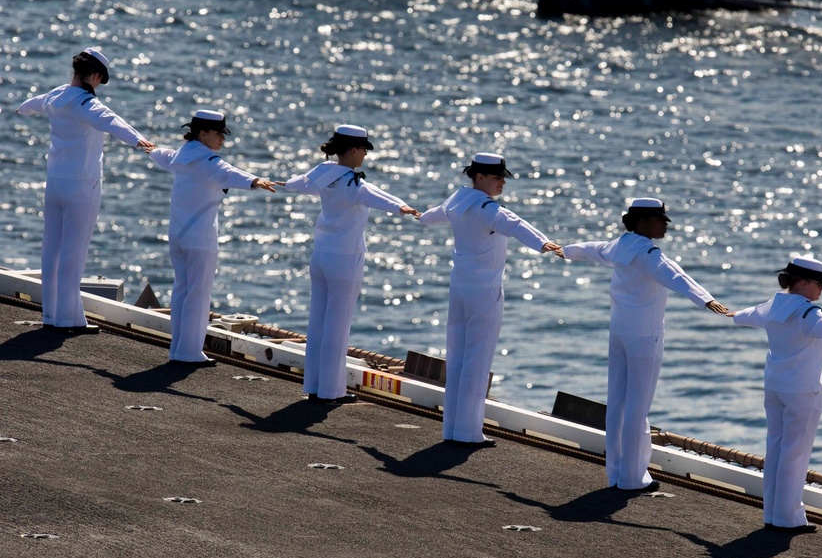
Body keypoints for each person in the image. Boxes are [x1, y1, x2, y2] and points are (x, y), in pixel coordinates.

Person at [562, 198, 728, 491]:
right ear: (641, 223)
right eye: (659, 220)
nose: (665, 224)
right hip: (645, 338)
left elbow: (590, 249)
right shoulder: (650, 254)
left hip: (619, 333)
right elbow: (679, 277)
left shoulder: (619, 246)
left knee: (617, 404)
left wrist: (564, 250)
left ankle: (615, 473)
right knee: (638, 408)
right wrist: (707, 300)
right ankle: (633, 477)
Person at [419, 153, 562, 447]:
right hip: (484, 291)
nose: (502, 182)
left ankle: (452, 429)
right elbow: (517, 224)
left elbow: (432, 216)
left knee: (457, 358)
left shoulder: (457, 200)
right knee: (477, 361)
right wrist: (543, 243)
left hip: (459, 288)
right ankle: (469, 433)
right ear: (479, 177)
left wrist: (418, 215)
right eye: (497, 177)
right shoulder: (487, 209)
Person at [728, 257, 822, 533]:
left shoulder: (772, 307)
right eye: (819, 284)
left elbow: (748, 315)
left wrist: (732, 314)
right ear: (804, 283)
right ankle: (789, 517)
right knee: (796, 454)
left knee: (776, 450)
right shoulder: (809, 314)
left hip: (774, 387)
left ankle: (772, 513)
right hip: (803, 392)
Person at [16, 47, 155, 333]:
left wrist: (21, 108)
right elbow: (114, 122)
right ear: (95, 76)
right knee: (73, 253)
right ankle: (70, 319)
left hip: (55, 182)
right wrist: (140, 141)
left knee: (50, 249)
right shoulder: (86, 105)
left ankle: (52, 315)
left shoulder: (56, 96)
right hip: (82, 185)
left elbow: (31, 104)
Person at [284, 125, 420, 404]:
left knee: (318, 323)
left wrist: (276, 184)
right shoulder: (353, 184)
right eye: (364, 151)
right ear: (355, 150)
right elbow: (378, 197)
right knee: (338, 325)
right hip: (345, 260)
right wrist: (404, 208)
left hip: (320, 256)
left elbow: (296, 183)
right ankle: (332, 391)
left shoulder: (321, 173)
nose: (365, 157)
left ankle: (314, 385)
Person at [147, 110, 279, 366]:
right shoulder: (209, 162)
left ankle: (178, 348)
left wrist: (151, 150)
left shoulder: (181, 156)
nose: (223, 139)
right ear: (203, 134)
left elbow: (163, 155)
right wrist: (255, 180)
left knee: (181, 290)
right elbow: (231, 173)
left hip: (178, 235)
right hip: (201, 239)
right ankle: (190, 352)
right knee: (198, 294)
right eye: (218, 134)